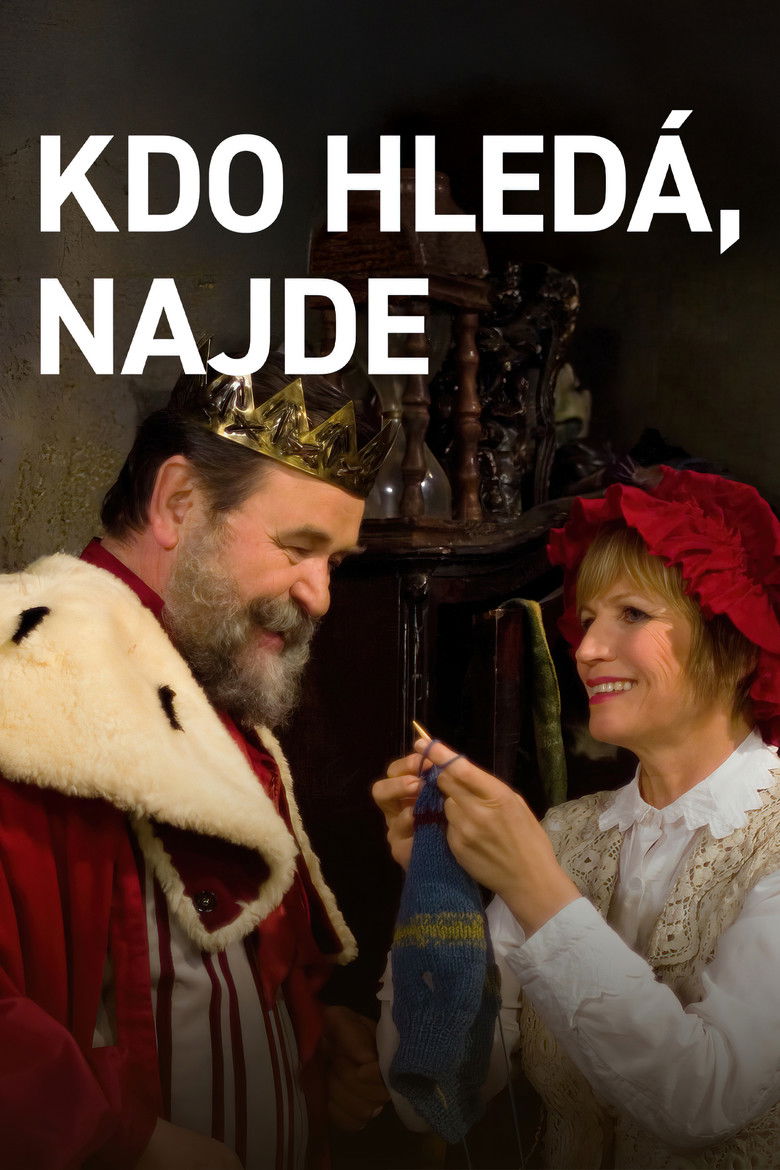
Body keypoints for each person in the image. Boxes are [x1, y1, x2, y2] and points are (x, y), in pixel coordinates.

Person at [0, 360, 395, 1169]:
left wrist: (309, 1042)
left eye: (335, 562)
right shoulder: (26, 674)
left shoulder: (205, 681)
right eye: (298, 547)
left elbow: (209, 971)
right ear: (178, 503)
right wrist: (125, 1143)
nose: (320, 594)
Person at [374, 465, 780, 1168]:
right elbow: (434, 1097)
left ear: (738, 641)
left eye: (633, 614)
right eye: (588, 619)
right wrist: (440, 890)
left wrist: (535, 887)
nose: (587, 649)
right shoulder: (566, 833)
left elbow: (704, 1102)